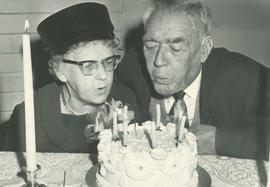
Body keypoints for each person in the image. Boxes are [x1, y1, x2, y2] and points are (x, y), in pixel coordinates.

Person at [117, 0, 270, 159]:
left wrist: (219, 140)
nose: (158, 61)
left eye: (175, 48)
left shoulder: (243, 76)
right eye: (150, 46)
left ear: (204, 50)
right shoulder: (132, 67)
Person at [2, 3, 140, 153]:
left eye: (108, 62)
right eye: (88, 65)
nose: (103, 75)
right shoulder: (30, 114)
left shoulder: (127, 101)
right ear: (60, 70)